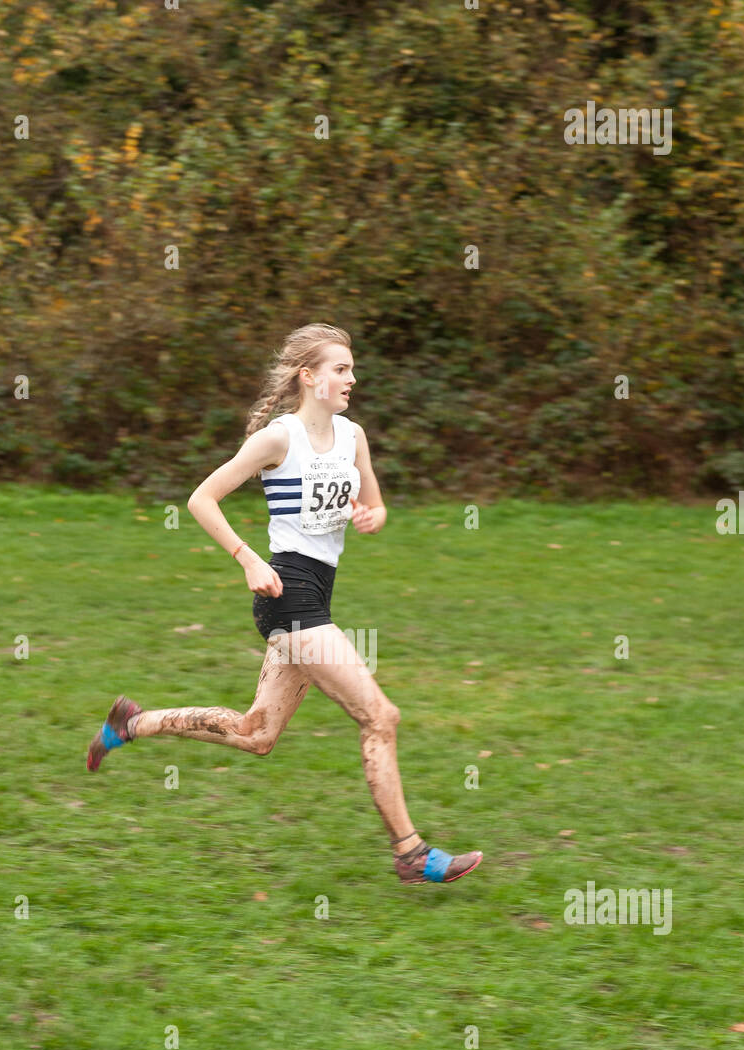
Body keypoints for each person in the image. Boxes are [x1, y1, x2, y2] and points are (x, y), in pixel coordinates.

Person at [87, 323, 482, 885]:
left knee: (256, 734)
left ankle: (131, 724)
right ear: (309, 376)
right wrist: (248, 558)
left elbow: (373, 503)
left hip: (318, 591)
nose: (352, 378)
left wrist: (372, 516)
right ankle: (411, 853)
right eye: (341, 368)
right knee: (380, 716)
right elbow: (202, 498)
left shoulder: (352, 437)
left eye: (352, 368)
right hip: (287, 592)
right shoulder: (279, 439)